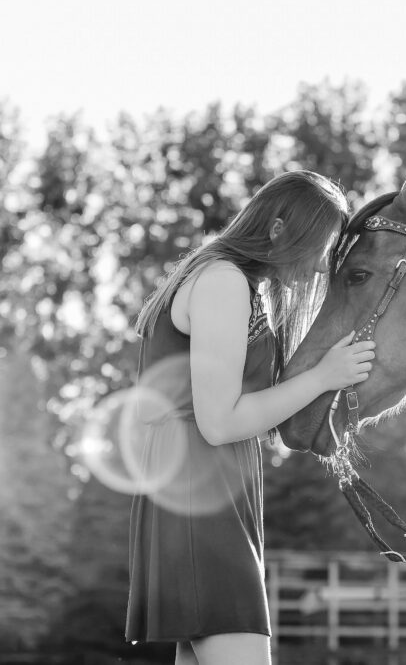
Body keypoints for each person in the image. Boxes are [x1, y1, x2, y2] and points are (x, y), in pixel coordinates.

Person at [125, 170, 374, 665]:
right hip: (201, 490)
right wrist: (323, 376)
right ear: (279, 230)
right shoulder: (222, 282)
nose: (322, 268)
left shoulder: (239, 285)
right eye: (318, 247)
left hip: (208, 489)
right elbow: (218, 422)